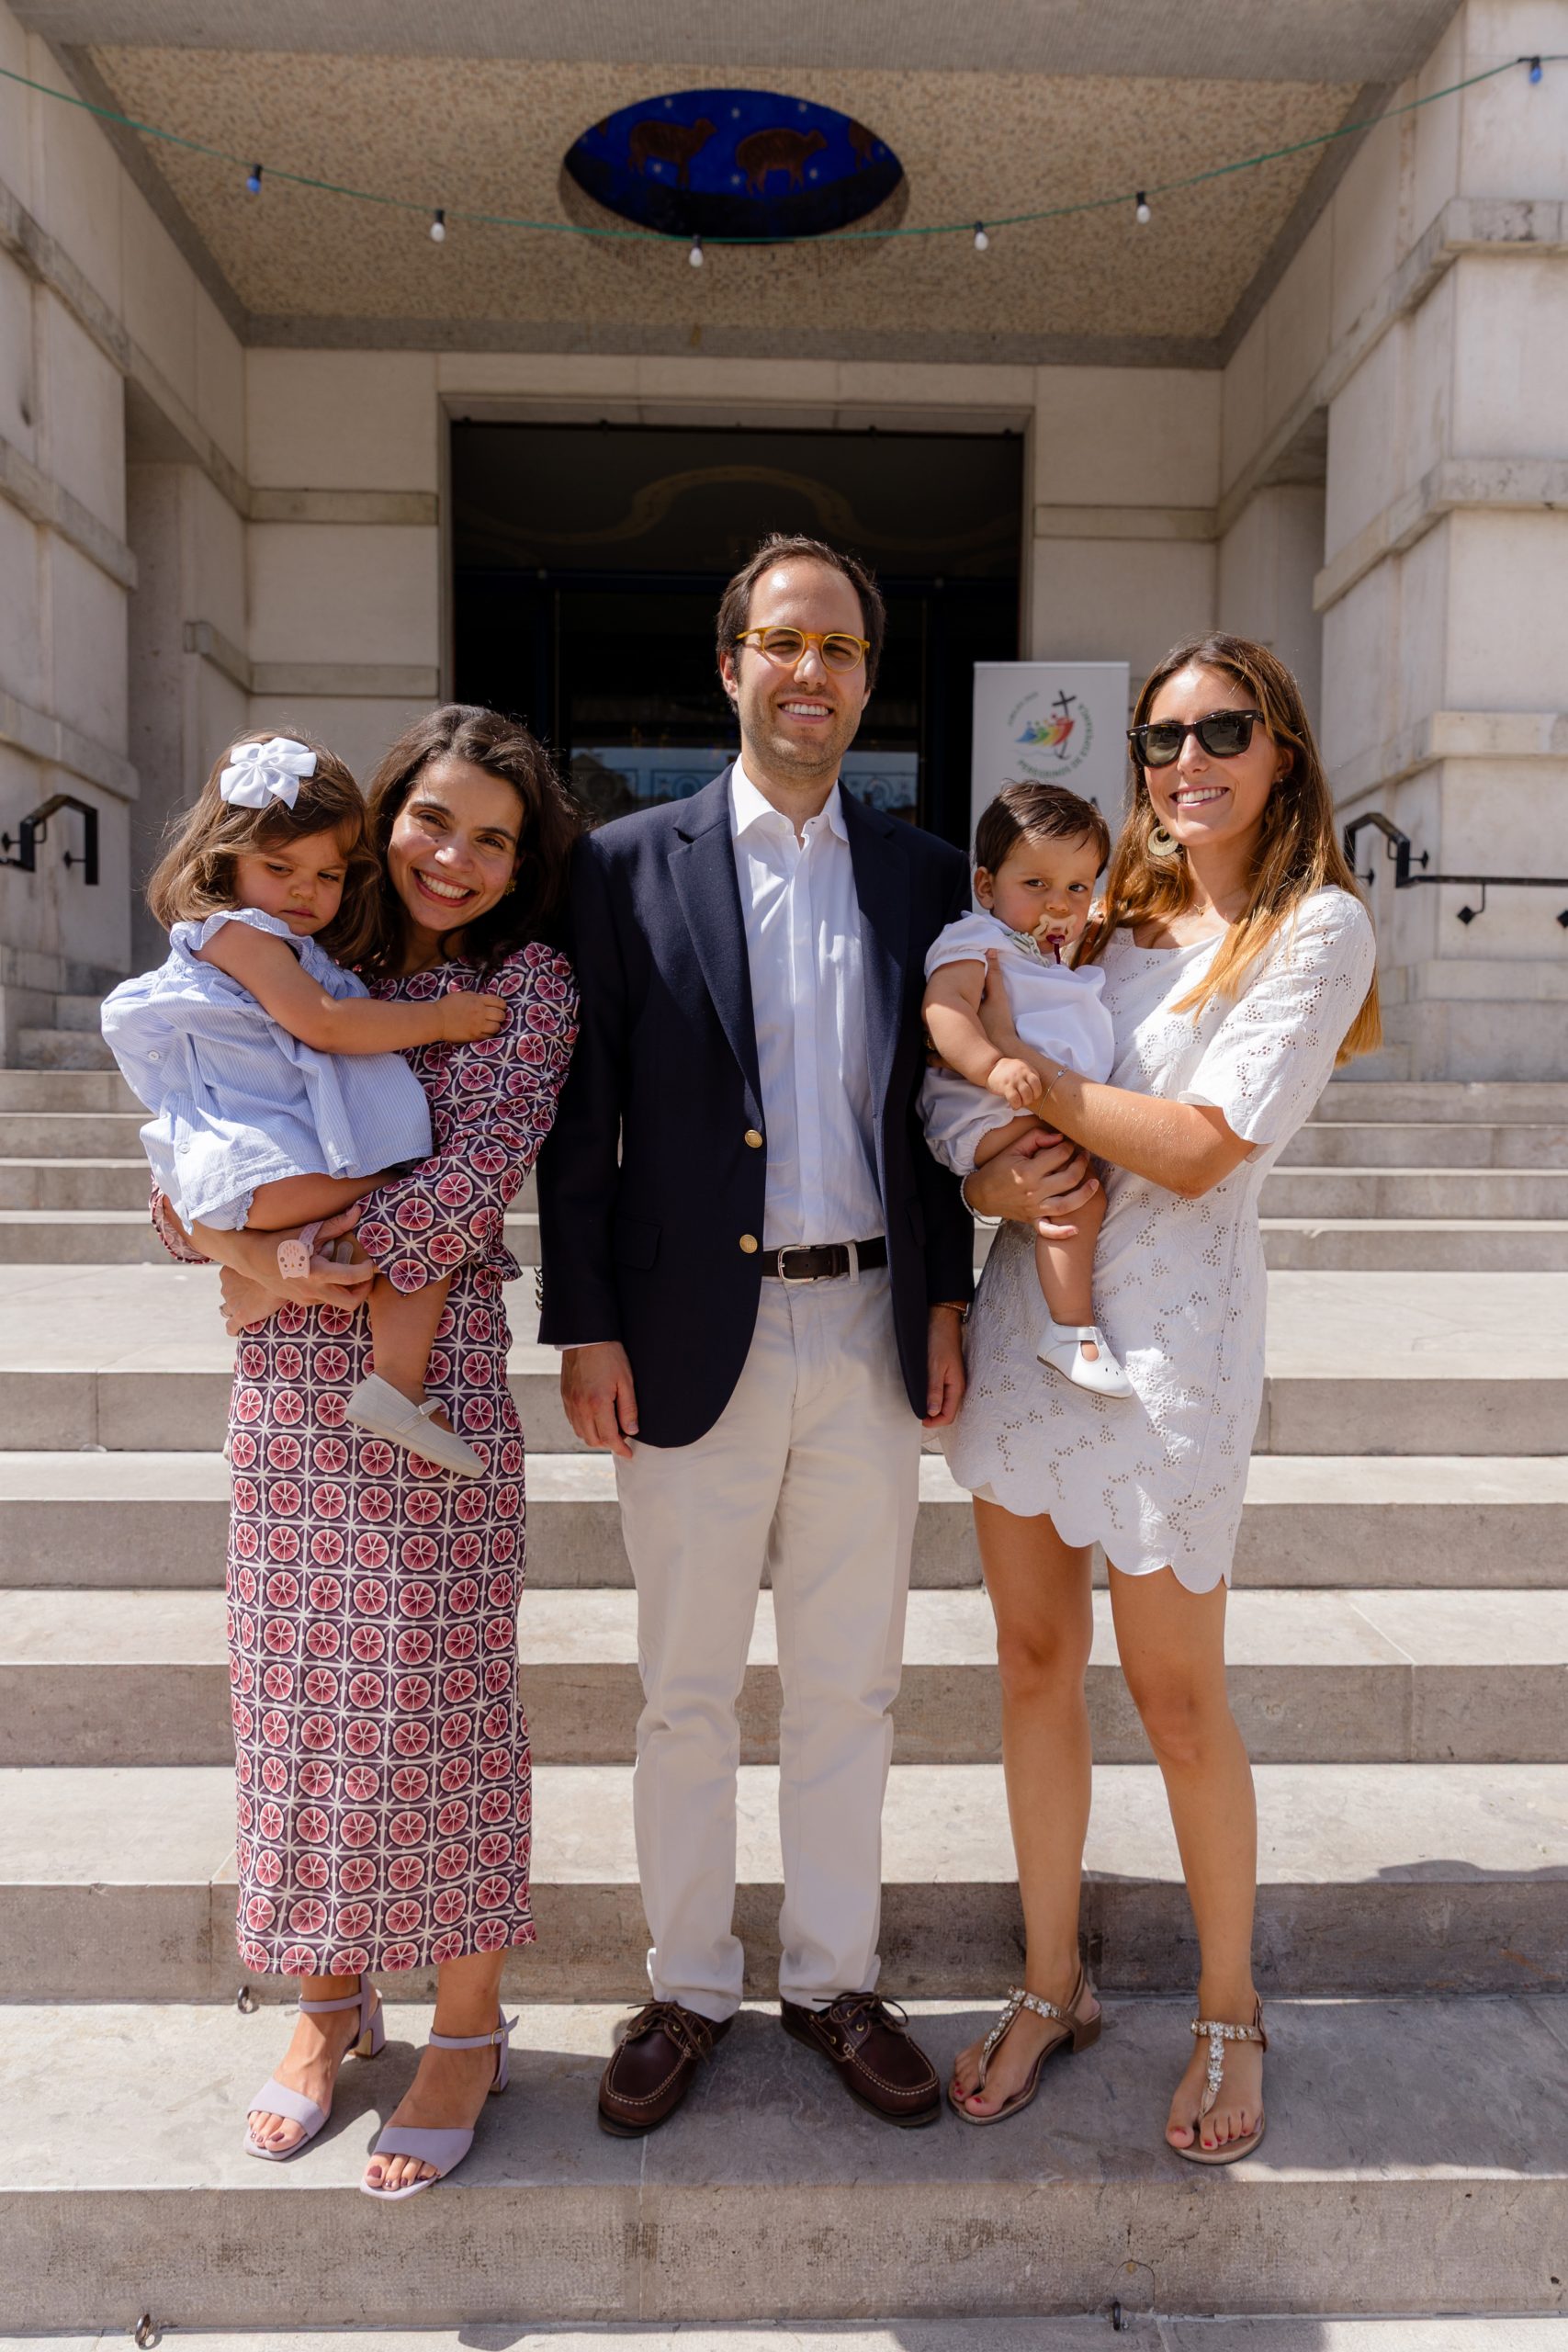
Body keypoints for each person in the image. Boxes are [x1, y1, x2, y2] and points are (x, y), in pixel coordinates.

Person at [539, 531, 1055, 2136]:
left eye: (836, 647)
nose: (809, 671)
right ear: (730, 666)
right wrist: (584, 1323)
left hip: (865, 1330)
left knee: (850, 1687)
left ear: (864, 678)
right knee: (684, 1693)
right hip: (686, 1336)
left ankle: (835, 1982)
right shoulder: (626, 865)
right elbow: (582, 1121)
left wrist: (947, 1295)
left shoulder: (921, 876)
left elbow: (930, 1115)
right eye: (782, 641)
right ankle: (686, 1988)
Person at [942, 634, 1379, 2164]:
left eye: (1221, 730)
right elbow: (965, 1106)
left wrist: (1029, 1086)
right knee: (1029, 1661)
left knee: (1179, 1699)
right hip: (1031, 1322)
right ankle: (1048, 1981)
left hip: (1175, 1346)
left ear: (1280, 751)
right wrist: (991, 1167)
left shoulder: (1313, 929)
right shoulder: (1095, 914)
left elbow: (1196, 1149)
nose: (1186, 760)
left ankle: (1228, 2007)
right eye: (1160, 736)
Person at [152, 706, 580, 2198]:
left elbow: (473, 1182)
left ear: (521, 863)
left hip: (432, 1388)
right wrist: (236, 1248)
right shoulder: (293, 950)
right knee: (295, 1703)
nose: (453, 858)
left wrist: (286, 1256)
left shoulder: (524, 985)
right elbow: (185, 1154)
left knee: (441, 1708)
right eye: (432, 821)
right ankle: (327, 2005)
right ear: (383, 816)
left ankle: (465, 2027)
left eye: (492, 839)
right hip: (284, 1390)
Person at [103, 730, 510, 1477]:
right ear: (224, 861)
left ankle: (363, 1359)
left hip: (270, 1175)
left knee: (407, 1217)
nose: (305, 891)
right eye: (279, 868)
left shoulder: (296, 948)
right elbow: (323, 1024)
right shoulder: (238, 934)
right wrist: (440, 1020)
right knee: (422, 1199)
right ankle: (390, 1379)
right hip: (260, 1175)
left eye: (328, 875)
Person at [919, 780, 1130, 1398]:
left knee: (1073, 1192)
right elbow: (945, 1009)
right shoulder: (976, 940)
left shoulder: (1042, 955)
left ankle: (1071, 1329)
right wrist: (993, 1066)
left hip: (1023, 1106)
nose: (1057, 903)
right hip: (986, 1109)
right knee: (1074, 1194)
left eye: (1076, 887)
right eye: (1035, 883)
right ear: (986, 887)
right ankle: (1071, 1331)